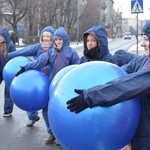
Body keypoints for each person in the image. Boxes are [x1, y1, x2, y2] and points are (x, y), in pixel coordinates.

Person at [66, 20, 150, 150]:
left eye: (146, 39)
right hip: (138, 134)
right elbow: (121, 74)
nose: (142, 43)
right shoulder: (144, 60)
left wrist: (91, 96)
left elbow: (129, 84)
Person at [15, 26, 80, 145]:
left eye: (60, 39)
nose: (58, 42)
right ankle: (51, 133)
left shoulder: (71, 53)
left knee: (63, 111)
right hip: (52, 85)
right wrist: (25, 67)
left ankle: (62, 135)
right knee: (46, 109)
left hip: (65, 87)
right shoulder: (51, 52)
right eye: (56, 39)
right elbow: (39, 62)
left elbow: (78, 69)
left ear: (65, 40)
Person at [8, 26, 55, 127]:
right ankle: (33, 116)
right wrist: (8, 55)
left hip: (50, 80)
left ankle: (51, 131)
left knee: (47, 107)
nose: (46, 38)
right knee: (28, 95)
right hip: (37, 79)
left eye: (48, 36)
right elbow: (22, 51)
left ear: (52, 38)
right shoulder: (37, 47)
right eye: (44, 36)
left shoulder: (54, 49)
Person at [0, 28, 16, 117]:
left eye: (1, 36)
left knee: (8, 91)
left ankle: (8, 110)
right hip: (0, 69)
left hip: (8, 71)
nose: (0, 38)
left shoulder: (11, 45)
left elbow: (14, 57)